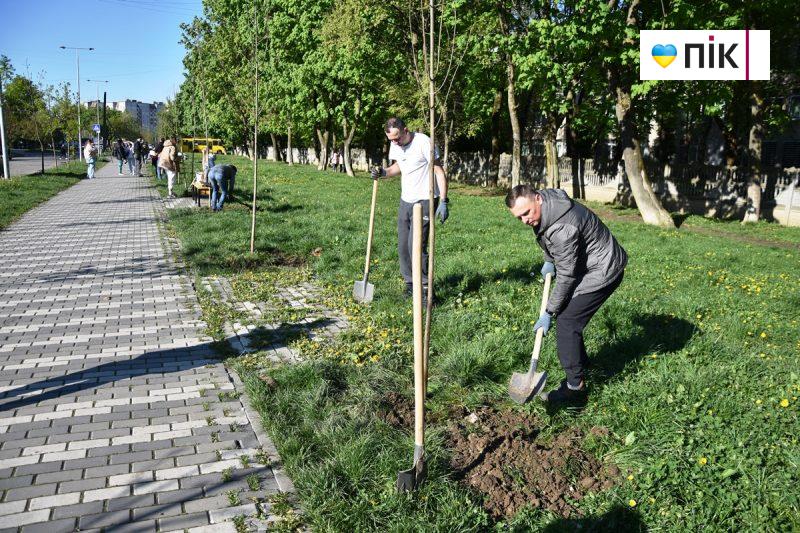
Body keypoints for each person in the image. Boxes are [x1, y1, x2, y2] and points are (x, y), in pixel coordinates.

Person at [505, 185, 627, 404]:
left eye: (526, 213)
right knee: (570, 318)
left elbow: (567, 277)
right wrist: (549, 260)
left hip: (604, 269)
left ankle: (575, 389)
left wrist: (549, 311)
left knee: (567, 322)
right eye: (519, 217)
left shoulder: (562, 227)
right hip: (591, 263)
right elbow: (544, 233)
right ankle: (582, 365)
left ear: (538, 199)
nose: (524, 220)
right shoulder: (550, 204)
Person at [371, 117, 449, 298]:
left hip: (425, 199)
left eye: (397, 138)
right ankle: (410, 283)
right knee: (403, 246)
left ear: (406, 130)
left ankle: (424, 288)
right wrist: (383, 172)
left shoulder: (424, 142)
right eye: (391, 139)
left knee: (417, 245)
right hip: (406, 199)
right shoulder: (395, 144)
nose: (395, 142)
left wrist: (444, 200)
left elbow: (439, 171)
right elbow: (398, 166)